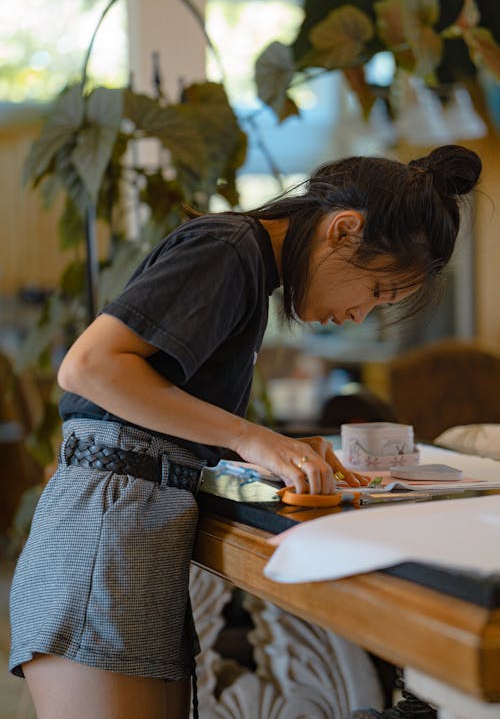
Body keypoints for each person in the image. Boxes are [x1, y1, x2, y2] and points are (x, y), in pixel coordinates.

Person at [9, 144, 481, 719]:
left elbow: (159, 410)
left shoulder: (249, 269)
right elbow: (89, 367)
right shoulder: (229, 248)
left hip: (131, 530)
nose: (360, 315)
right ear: (343, 229)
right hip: (105, 533)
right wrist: (249, 437)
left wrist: (264, 444)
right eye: (377, 291)